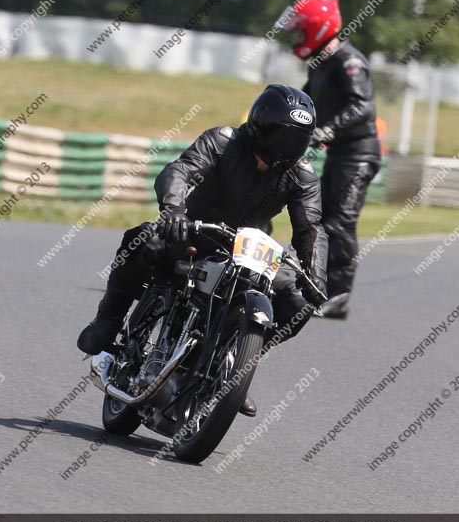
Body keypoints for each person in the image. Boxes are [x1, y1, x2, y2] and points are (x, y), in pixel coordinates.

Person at [77, 84, 329, 417]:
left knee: (297, 302)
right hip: (193, 233)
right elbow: (180, 170)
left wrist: (316, 275)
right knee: (142, 240)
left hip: (248, 251)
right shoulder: (223, 140)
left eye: (298, 139)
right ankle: (107, 321)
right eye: (283, 136)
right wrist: (174, 208)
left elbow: (311, 228)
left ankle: (233, 369)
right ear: (261, 124)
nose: (288, 148)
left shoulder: (302, 176)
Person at [278, 0, 381, 319]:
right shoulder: (321, 63)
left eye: (299, 32)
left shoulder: (349, 61)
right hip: (340, 153)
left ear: (317, 28)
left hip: (359, 154)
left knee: (340, 221)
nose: (296, 39)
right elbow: (304, 104)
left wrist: (326, 130)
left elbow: (362, 106)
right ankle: (312, 284)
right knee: (320, 218)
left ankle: (339, 295)